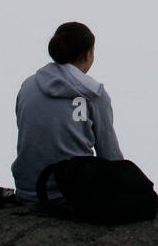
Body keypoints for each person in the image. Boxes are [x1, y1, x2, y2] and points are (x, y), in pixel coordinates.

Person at [11, 21, 124, 205]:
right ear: (88, 53)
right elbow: (110, 158)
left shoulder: (28, 85)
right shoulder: (94, 94)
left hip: (27, 192)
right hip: (73, 195)